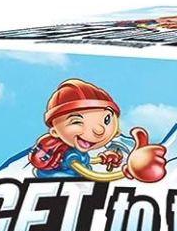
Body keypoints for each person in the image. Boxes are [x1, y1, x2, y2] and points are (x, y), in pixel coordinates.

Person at [28, 78, 166, 182]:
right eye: (77, 121)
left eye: (106, 120)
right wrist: (129, 171)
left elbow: (88, 161)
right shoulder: (70, 155)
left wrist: (103, 158)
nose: (99, 130)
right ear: (54, 132)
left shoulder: (75, 151)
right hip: (63, 186)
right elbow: (94, 175)